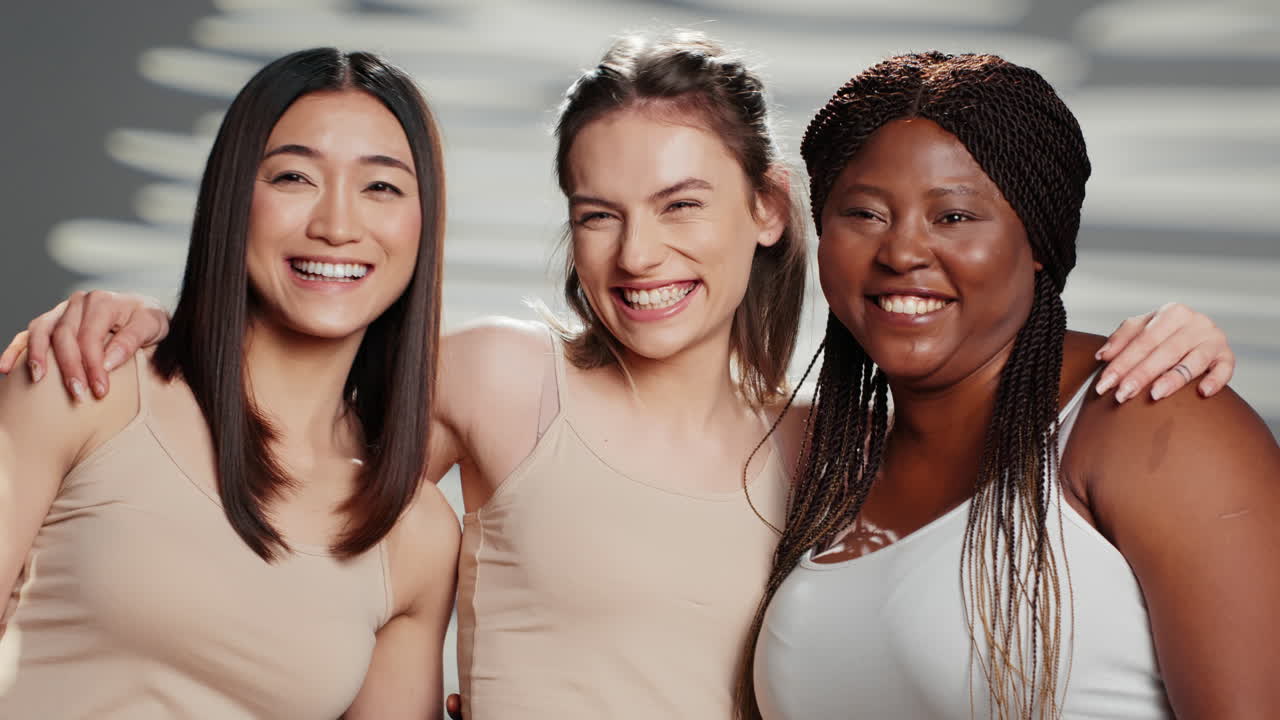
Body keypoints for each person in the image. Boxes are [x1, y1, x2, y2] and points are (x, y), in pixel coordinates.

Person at [1, 34, 1239, 719]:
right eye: (597, 213)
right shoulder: (498, 379)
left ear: (764, 212)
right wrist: (142, 324)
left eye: (679, 204)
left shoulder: (831, 454)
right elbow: (285, 430)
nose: (637, 253)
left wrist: (1164, 340)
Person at [743, 51, 1280, 719]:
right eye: (865, 214)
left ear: (1037, 243)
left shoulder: (1149, 421)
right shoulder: (822, 463)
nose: (902, 252)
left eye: (955, 217)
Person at [0, 48, 460, 719]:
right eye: (294, 177)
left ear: (424, 224)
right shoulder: (87, 384)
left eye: (381, 187)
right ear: (232, 196)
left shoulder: (413, 533)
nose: (336, 226)